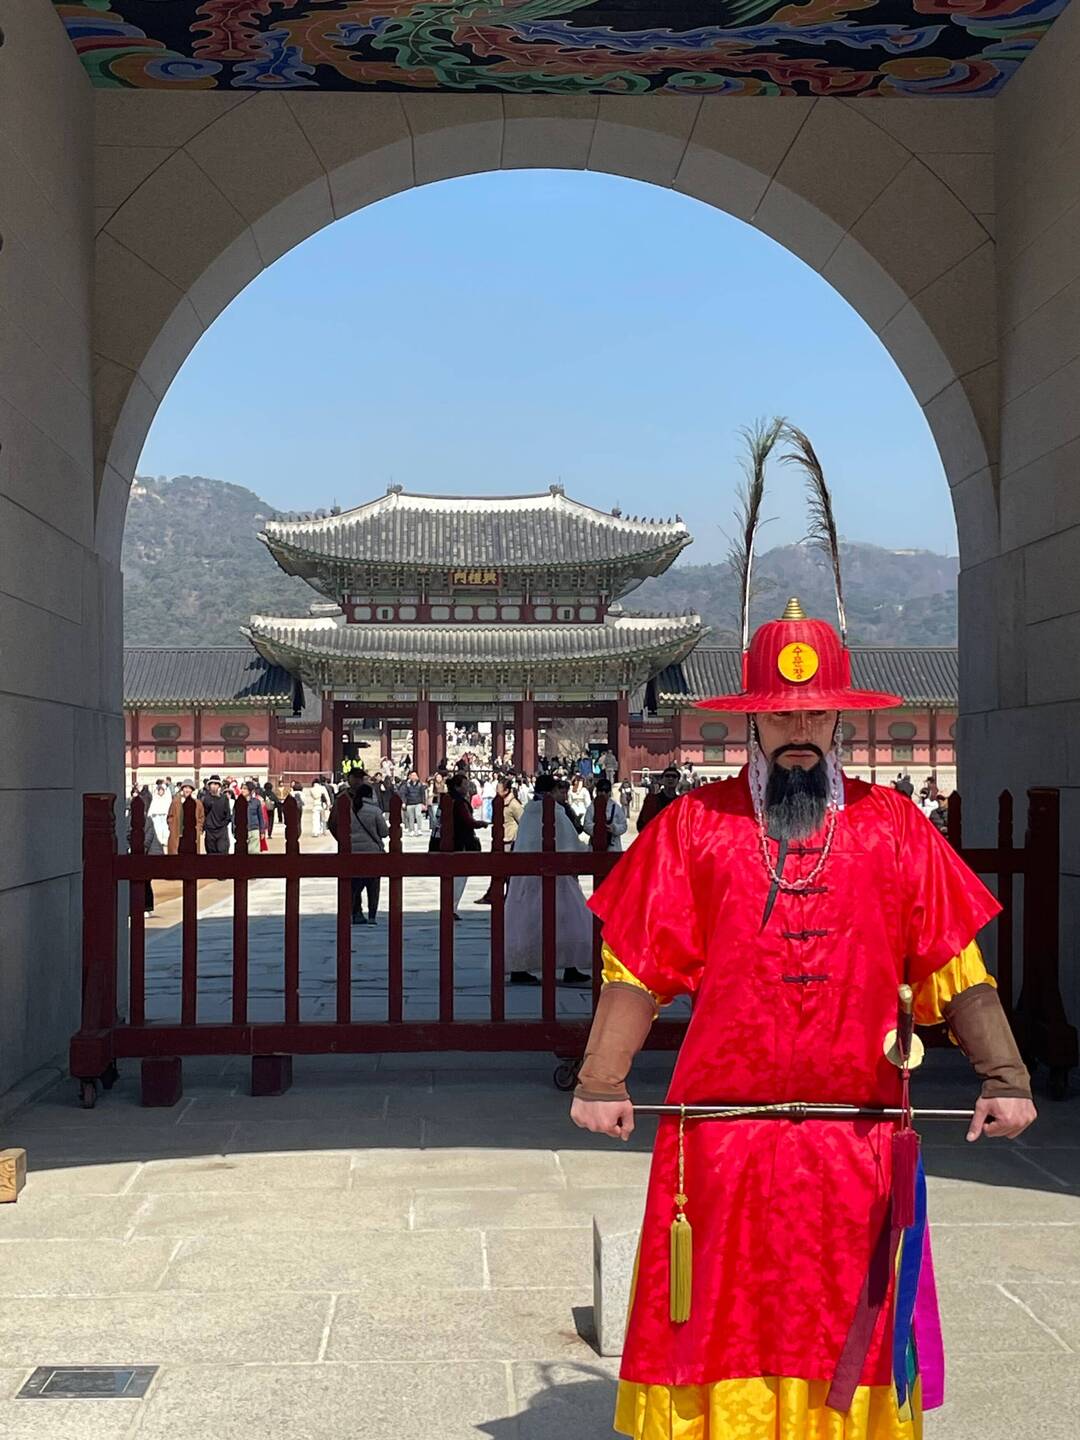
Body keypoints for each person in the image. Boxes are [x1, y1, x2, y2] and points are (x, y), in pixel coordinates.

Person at [572, 594, 1035, 1440]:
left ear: (839, 721)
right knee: (720, 1318)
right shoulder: (695, 828)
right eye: (783, 714)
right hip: (721, 1138)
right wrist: (601, 1079)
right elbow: (636, 963)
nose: (800, 730)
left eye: (816, 713)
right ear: (752, 721)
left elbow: (952, 964)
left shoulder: (894, 828)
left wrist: (1005, 1075)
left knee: (844, 1316)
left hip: (857, 1136)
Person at [505, 774, 593, 987]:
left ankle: (520, 967)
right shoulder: (556, 812)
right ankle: (570, 965)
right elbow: (570, 843)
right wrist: (585, 851)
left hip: (527, 877)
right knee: (567, 920)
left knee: (526, 922)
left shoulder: (528, 813)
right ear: (552, 791)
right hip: (557, 876)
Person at [429, 771, 488, 918]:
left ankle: (449, 906)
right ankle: (452, 908)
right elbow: (467, 821)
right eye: (465, 784)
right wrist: (481, 824)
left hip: (446, 840)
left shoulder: (446, 799)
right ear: (457, 786)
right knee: (459, 877)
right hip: (460, 841)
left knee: (450, 877)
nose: (467, 787)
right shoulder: (459, 802)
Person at [329, 779, 388, 925]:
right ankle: (372, 915)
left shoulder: (348, 811)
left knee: (354, 885)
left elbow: (336, 826)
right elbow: (384, 832)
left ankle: (354, 913)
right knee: (373, 886)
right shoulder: (375, 811)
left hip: (352, 851)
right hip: (372, 852)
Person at [475, 774, 524, 905]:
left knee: (507, 871)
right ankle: (492, 894)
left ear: (506, 791)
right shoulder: (498, 802)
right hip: (498, 839)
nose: (497, 791)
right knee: (496, 869)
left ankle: (508, 895)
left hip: (509, 840)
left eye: (499, 789)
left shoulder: (514, 805)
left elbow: (522, 821)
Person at [583, 775, 628, 852]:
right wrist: (599, 829)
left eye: (606, 791)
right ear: (597, 792)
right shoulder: (592, 807)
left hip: (613, 846)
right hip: (595, 846)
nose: (603, 793)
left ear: (610, 792)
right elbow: (586, 826)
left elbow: (624, 825)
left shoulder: (616, 807)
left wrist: (614, 828)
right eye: (601, 791)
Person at [637, 764, 680, 831]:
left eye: (674, 776)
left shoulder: (681, 802)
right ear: (662, 780)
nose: (670, 778)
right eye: (667, 776)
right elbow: (641, 824)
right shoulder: (652, 800)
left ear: (678, 781)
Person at [166, 779, 204, 855]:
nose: (187, 790)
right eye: (185, 787)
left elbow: (201, 817)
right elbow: (170, 816)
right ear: (182, 789)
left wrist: (199, 828)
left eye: (189, 788)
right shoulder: (176, 802)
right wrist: (172, 827)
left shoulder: (197, 803)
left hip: (192, 835)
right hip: (179, 834)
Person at [201, 776, 232, 854]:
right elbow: (203, 815)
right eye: (212, 784)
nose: (214, 786)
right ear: (209, 785)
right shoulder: (205, 799)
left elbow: (228, 815)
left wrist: (223, 825)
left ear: (219, 786)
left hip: (222, 831)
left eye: (216, 784)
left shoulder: (224, 798)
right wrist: (206, 826)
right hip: (210, 831)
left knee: (223, 853)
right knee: (211, 854)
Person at [400, 770, 427, 836]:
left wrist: (424, 803)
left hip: (418, 802)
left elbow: (423, 794)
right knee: (410, 817)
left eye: (415, 775)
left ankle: (419, 829)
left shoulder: (420, 784)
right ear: (410, 776)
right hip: (410, 803)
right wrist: (404, 802)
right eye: (412, 775)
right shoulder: (407, 785)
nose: (414, 776)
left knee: (418, 815)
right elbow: (404, 794)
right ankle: (411, 830)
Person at [242, 780, 266, 854]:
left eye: (245, 788)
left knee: (254, 853)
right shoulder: (238, 803)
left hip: (254, 830)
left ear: (251, 791)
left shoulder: (256, 802)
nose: (242, 790)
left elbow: (261, 817)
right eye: (242, 788)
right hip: (242, 831)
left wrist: (262, 831)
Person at [148, 778, 171, 850]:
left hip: (164, 814)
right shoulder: (155, 798)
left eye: (162, 790)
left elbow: (168, 805)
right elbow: (152, 806)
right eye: (159, 790)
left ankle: (165, 840)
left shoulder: (166, 798)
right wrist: (150, 814)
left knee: (165, 827)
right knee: (157, 827)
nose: (160, 792)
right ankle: (159, 841)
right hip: (157, 815)